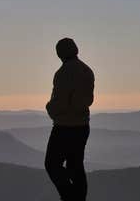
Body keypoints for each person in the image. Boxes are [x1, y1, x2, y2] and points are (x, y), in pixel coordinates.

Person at [45, 38, 95, 201]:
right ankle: (79, 197)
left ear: (60, 54)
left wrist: (49, 108)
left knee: (52, 165)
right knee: (76, 165)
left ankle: (70, 196)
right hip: (82, 126)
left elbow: (60, 102)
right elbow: (88, 100)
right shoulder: (87, 71)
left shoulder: (63, 73)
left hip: (64, 126)